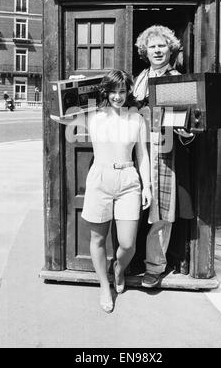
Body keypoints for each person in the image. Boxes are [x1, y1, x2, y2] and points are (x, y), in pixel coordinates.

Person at [60, 69, 151, 313]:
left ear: (128, 92)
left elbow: (142, 155)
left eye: (123, 91)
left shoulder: (137, 119)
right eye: (113, 91)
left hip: (129, 179)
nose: (118, 96)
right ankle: (103, 285)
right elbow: (61, 117)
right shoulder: (93, 116)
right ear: (105, 92)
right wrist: (72, 88)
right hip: (100, 178)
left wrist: (147, 186)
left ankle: (119, 269)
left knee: (128, 243)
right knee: (98, 239)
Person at [134, 25, 195, 288]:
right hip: (136, 150)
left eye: (162, 45)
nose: (157, 50)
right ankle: (131, 259)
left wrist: (186, 131)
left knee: (160, 212)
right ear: (144, 51)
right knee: (134, 205)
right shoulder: (139, 78)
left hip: (163, 153)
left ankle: (154, 266)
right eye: (152, 46)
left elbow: (190, 123)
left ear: (170, 49)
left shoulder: (178, 80)